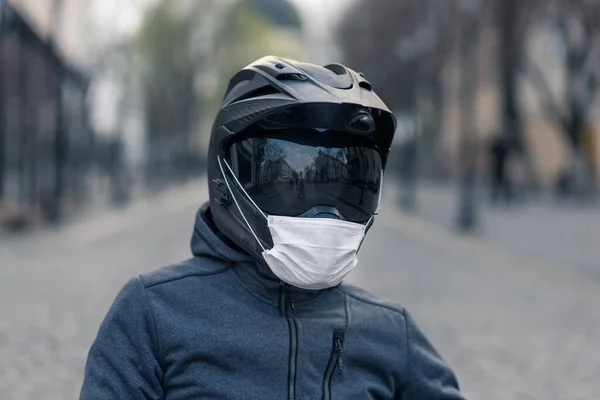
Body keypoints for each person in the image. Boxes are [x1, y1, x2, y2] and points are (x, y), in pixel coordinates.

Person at [80, 56, 464, 399]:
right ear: (226, 180)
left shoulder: (390, 330)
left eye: (346, 184)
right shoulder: (153, 313)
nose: (323, 213)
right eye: (292, 181)